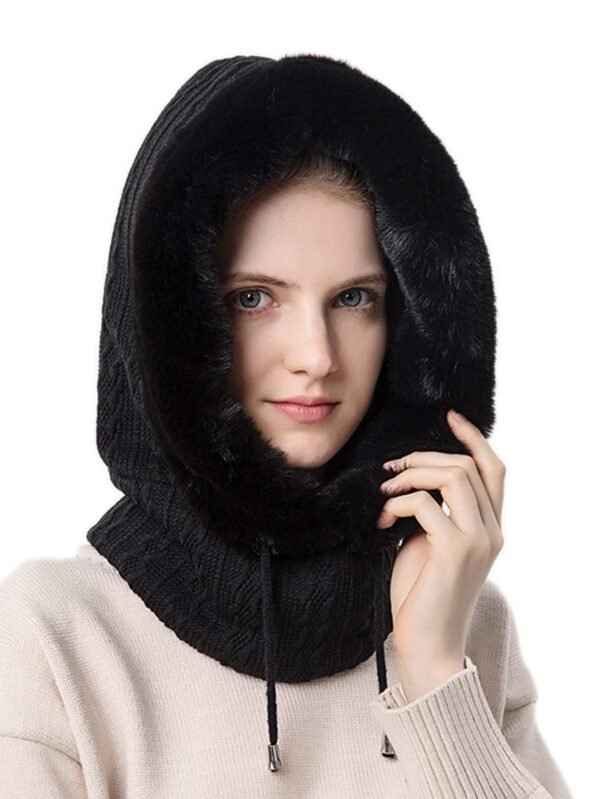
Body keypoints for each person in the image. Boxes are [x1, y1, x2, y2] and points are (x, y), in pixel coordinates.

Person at [0, 53, 573, 798]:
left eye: (355, 299)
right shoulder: (56, 637)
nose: (316, 356)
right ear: (173, 322)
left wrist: (435, 673)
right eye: (253, 298)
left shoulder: (466, 618)